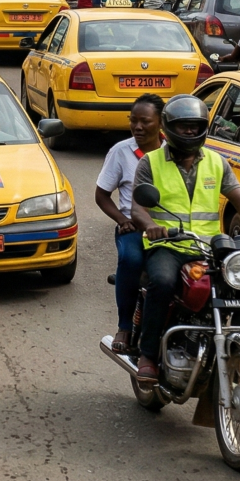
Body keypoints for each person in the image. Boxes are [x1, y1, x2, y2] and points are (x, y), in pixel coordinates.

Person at [127, 96, 240, 382]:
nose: (189, 131)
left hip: (208, 247)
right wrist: (151, 226)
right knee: (161, 283)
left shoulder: (216, 161)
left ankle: (238, 348)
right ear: (168, 127)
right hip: (168, 246)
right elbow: (137, 208)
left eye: (195, 126)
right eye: (183, 126)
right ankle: (149, 354)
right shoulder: (150, 162)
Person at [94, 94, 165, 354]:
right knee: (131, 260)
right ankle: (124, 325)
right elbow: (102, 195)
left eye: (145, 121)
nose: (138, 127)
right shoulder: (120, 151)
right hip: (133, 227)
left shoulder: (174, 152)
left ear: (161, 123)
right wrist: (122, 220)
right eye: (133, 121)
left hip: (168, 228)